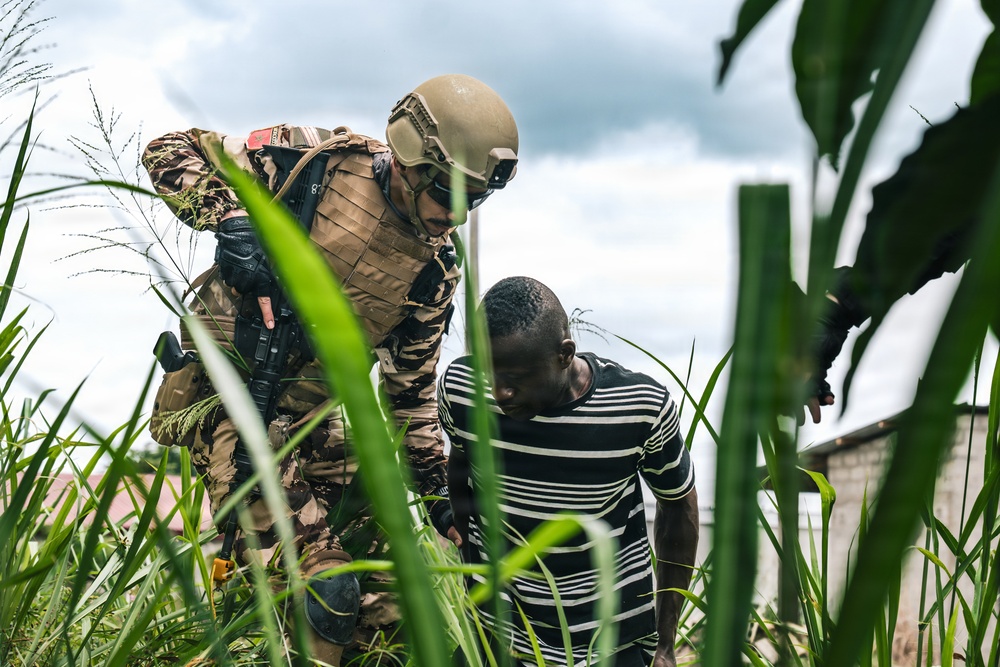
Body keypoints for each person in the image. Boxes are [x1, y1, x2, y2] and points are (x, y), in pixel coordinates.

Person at [141, 74, 519, 666]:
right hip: (226, 401)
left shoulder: (434, 270)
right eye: (448, 192)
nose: (458, 216)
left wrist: (442, 499)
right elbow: (168, 151)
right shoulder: (316, 164)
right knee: (327, 585)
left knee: (396, 602)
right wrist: (231, 222)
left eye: (475, 201)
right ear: (411, 161)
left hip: (312, 418)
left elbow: (412, 397)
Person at [438, 276, 699, 667]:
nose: (498, 393)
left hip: (609, 639)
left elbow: (679, 507)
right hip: (498, 632)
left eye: (514, 379)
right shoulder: (462, 389)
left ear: (564, 353)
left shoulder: (638, 407)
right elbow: (461, 463)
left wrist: (665, 644)